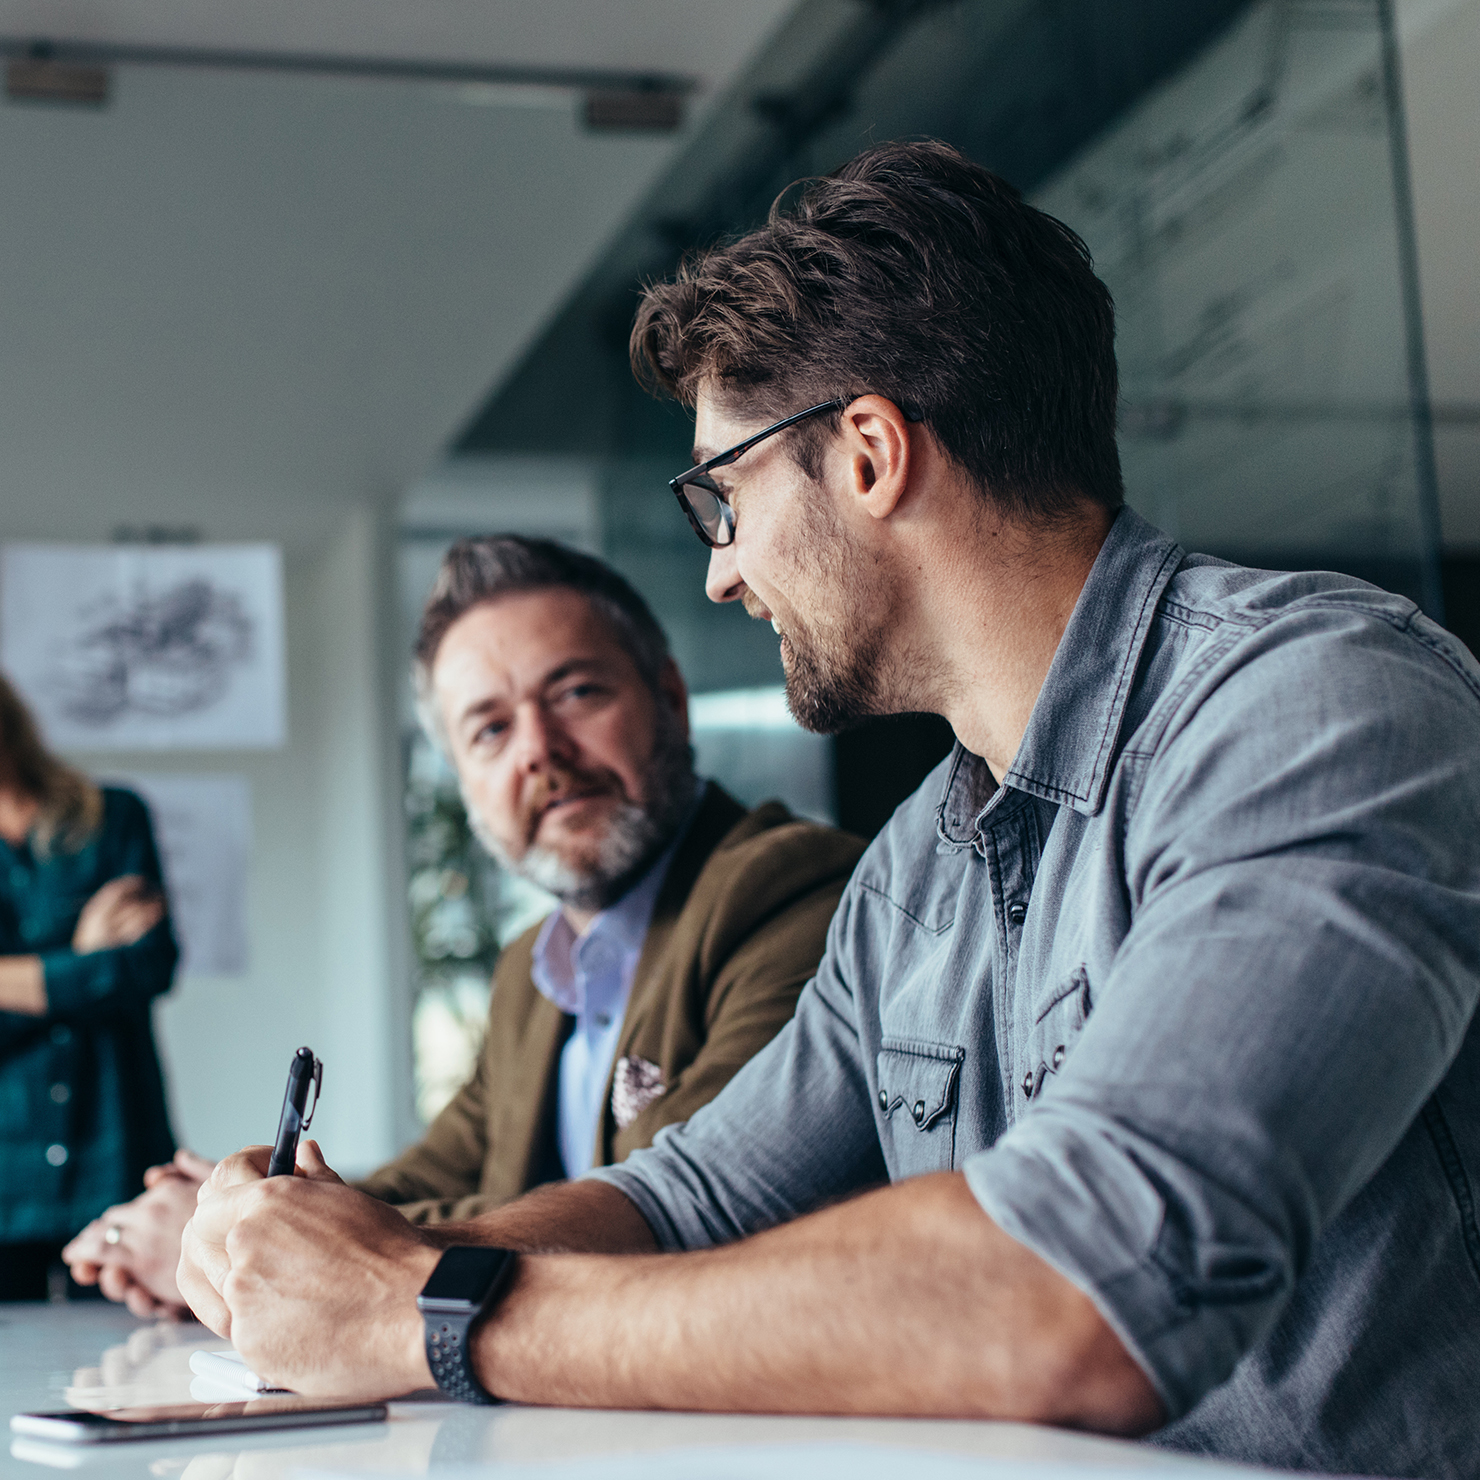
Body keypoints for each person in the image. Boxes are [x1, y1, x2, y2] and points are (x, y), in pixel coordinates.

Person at [174, 142, 1480, 1480]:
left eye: (724, 499)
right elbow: (695, 1196)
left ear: (868, 454)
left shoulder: (1321, 705)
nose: (725, 575)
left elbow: (1073, 1294)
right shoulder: (919, 866)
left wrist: (441, 1317)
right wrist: (358, 1265)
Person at [66, 537, 863, 1315]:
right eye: (490, 729)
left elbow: (674, 1201)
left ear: (671, 698)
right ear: (464, 781)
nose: (541, 752)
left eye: (578, 693)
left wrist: (272, 1249)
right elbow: (420, 1181)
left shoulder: (786, 889)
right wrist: (235, 1219)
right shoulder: (532, 970)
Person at [0, 673, 177, 1301]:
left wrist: (19, 981)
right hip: (7, 1181)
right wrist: (81, 954)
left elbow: (150, 966)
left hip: (117, 1150)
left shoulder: (115, 817)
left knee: (136, 1367)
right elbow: (110, 973)